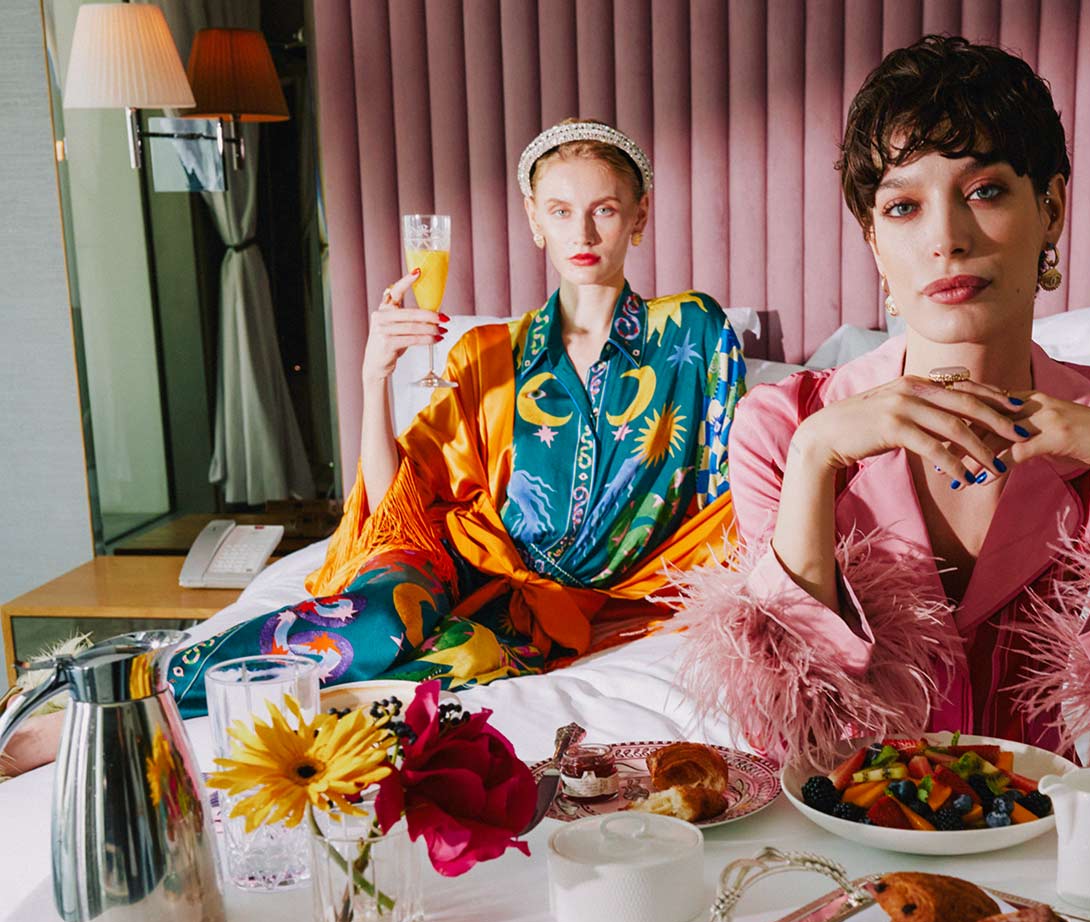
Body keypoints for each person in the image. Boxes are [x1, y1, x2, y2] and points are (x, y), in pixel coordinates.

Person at [678, 36, 1090, 766]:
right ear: (874, 243)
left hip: (1052, 840)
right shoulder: (787, 430)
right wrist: (814, 461)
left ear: (1051, 208)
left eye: (985, 191)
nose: (948, 240)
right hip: (856, 838)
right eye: (903, 208)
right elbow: (787, 741)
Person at [172, 119, 745, 714]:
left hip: (549, 609)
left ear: (639, 216)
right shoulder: (490, 352)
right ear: (534, 221)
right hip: (458, 555)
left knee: (455, 664)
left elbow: (730, 485)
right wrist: (375, 379)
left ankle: (280, 719)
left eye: (603, 210)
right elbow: (396, 500)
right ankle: (145, 688)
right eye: (560, 210)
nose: (582, 231)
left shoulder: (691, 331)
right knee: (374, 623)